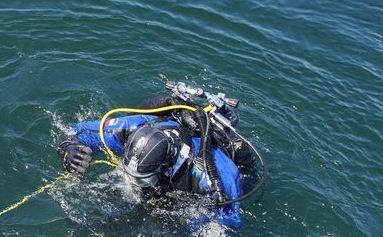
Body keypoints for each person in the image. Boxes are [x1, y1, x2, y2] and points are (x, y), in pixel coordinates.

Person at [56, 89, 260, 228]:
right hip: (166, 172)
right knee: (88, 222)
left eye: (141, 179)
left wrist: (193, 222)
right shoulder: (133, 127)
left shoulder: (212, 173)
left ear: (166, 163)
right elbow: (79, 131)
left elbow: (230, 219)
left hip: (189, 189)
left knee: (166, 236)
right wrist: (69, 148)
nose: (133, 184)